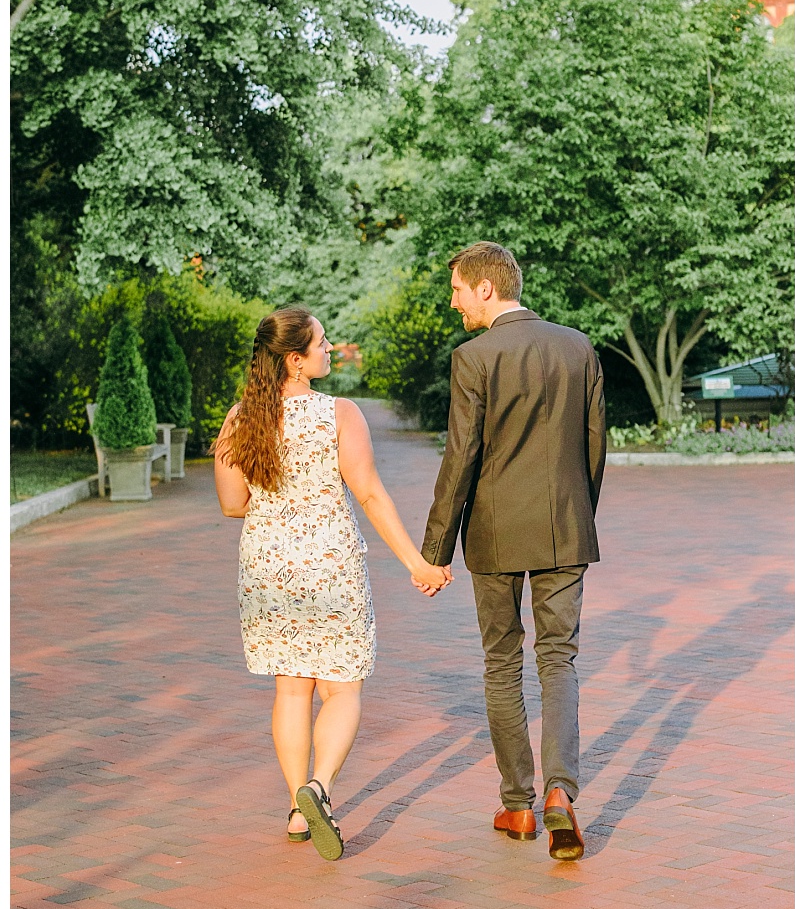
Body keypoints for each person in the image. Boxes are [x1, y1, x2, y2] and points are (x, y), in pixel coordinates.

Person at [213, 305, 449, 861]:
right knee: (341, 687)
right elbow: (368, 493)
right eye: (321, 343)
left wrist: (277, 508)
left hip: (267, 567)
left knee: (291, 689)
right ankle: (319, 789)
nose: (328, 348)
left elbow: (231, 503)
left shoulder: (239, 418)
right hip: (330, 565)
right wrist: (417, 564)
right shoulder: (340, 414)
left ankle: (298, 811)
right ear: (295, 361)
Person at [420, 241, 606, 861]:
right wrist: (580, 512)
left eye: (456, 290)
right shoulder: (578, 348)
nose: (452, 303)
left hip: (495, 534)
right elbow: (594, 447)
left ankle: (519, 807)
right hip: (564, 528)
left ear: (485, 289)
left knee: (502, 663)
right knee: (560, 659)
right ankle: (561, 794)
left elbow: (461, 456)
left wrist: (435, 549)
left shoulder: (474, 357)